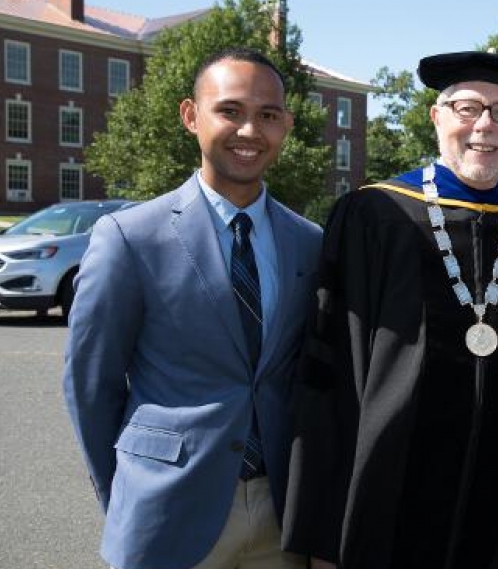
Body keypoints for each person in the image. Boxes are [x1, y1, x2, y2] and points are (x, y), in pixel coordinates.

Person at [281, 51, 498, 569]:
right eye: (467, 107)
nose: (485, 125)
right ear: (436, 117)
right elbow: (327, 375)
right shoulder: (373, 216)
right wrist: (324, 532)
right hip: (386, 507)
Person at [63, 47, 322, 569]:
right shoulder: (129, 239)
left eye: (267, 115)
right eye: (230, 110)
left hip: (282, 517)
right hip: (167, 512)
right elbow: (91, 386)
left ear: (285, 126)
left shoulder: (309, 242)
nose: (250, 130)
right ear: (191, 115)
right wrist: (129, 496)